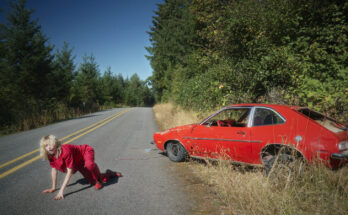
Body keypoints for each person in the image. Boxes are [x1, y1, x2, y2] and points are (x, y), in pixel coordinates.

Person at [40, 135, 121, 200]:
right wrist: (53, 188)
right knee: (93, 180)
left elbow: (69, 172)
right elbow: (54, 170)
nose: (49, 147)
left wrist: (61, 191)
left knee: (89, 165)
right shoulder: (50, 155)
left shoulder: (65, 152)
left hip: (85, 152)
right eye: (46, 145)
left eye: (51, 144)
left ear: (55, 143)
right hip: (77, 162)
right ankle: (110, 174)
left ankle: (98, 180)